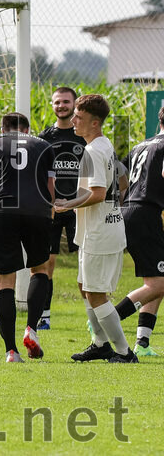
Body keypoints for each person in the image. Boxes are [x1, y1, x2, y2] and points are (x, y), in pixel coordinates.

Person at [0, 112, 55, 363]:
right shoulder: (44, 146)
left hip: (3, 212)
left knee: (5, 281)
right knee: (40, 269)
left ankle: (11, 351)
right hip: (37, 212)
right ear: (27, 130)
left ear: (2, 130)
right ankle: (32, 329)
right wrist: (47, 218)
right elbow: (50, 192)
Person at [55, 94, 135, 363]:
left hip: (100, 232)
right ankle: (100, 343)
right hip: (97, 229)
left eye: (79, 117)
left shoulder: (93, 150)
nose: (73, 120)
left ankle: (124, 352)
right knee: (84, 286)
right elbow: (119, 184)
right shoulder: (102, 144)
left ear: (95, 122)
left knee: (96, 294)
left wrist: (68, 204)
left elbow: (99, 194)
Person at [111, 105, 164, 357]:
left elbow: (120, 176)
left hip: (130, 211)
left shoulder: (141, 145)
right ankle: (108, 320)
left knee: (155, 280)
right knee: (161, 281)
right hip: (147, 214)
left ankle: (142, 344)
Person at [35, 86, 84, 330]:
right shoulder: (43, 139)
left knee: (86, 263)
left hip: (80, 208)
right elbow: (36, 175)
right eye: (57, 102)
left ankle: (93, 316)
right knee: (47, 263)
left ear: (75, 104)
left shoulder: (84, 136)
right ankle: (44, 316)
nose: (61, 106)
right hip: (52, 209)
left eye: (66, 102)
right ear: (52, 105)